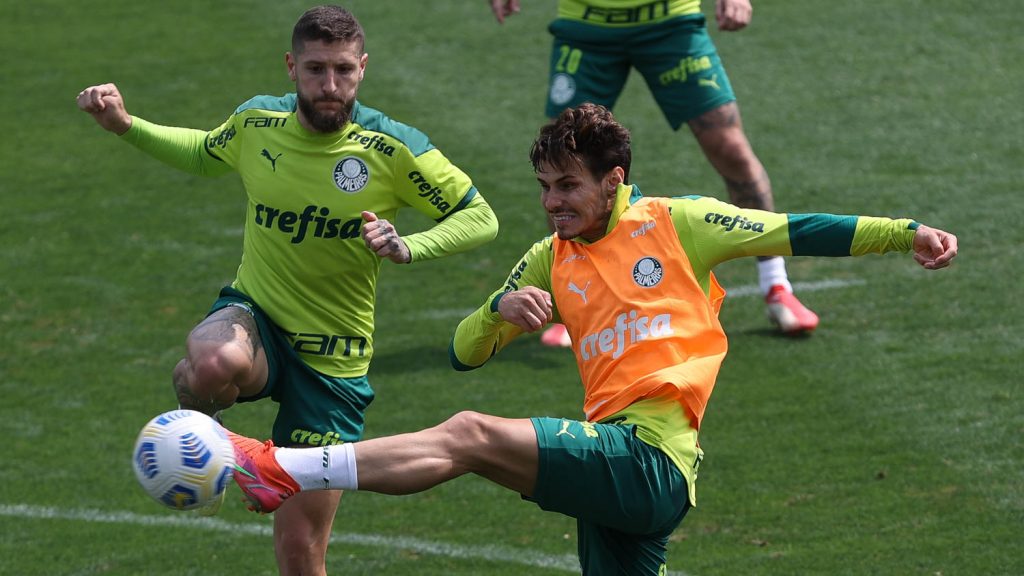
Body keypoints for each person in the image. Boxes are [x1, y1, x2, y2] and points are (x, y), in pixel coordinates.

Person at [223, 104, 957, 575]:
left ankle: (286, 467)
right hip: (619, 477)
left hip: (650, 462)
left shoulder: (677, 223)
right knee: (472, 427)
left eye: (567, 186)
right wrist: (501, 311)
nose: (551, 203)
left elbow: (796, 230)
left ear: (613, 180)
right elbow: (462, 352)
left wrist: (905, 233)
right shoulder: (548, 256)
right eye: (544, 186)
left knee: (471, 435)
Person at [77, 5, 498, 576]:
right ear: (290, 67)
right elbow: (204, 153)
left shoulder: (392, 148)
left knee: (299, 555)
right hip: (258, 318)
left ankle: (226, 453)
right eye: (316, 69)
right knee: (210, 361)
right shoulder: (257, 124)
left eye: (344, 71)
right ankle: (217, 452)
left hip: (333, 362)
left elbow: (480, 216)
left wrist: (409, 246)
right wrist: (126, 125)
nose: (331, 86)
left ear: (364, 68)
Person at [490, 0, 819, 347]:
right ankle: (573, 304)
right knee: (564, 162)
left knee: (730, 148)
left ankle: (776, 286)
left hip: (670, 21)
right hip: (587, 28)